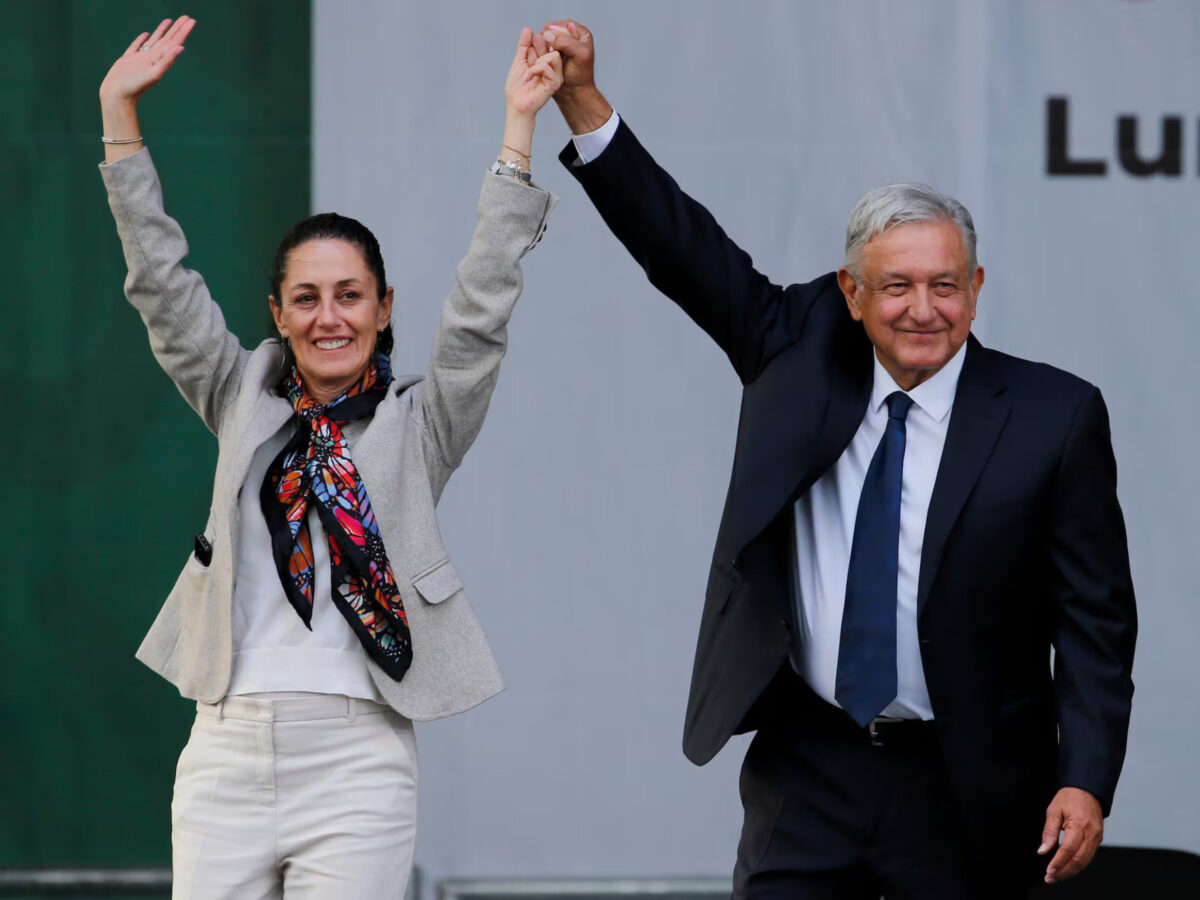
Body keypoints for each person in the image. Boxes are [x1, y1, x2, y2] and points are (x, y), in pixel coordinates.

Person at [540, 20, 1137, 900]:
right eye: (896, 286)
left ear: (976, 289)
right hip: (810, 762)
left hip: (967, 773)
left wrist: (1085, 777)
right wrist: (580, 99)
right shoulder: (791, 348)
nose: (922, 310)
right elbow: (678, 243)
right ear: (852, 294)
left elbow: (1094, 621)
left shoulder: (1055, 415)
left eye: (944, 285)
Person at [98, 16, 560, 898]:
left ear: (384, 307)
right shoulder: (241, 396)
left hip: (359, 757)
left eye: (350, 296)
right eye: (306, 299)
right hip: (226, 746)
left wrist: (517, 131)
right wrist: (121, 120)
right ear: (278, 313)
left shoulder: (421, 422)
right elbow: (161, 288)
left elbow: (480, 311)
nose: (329, 317)